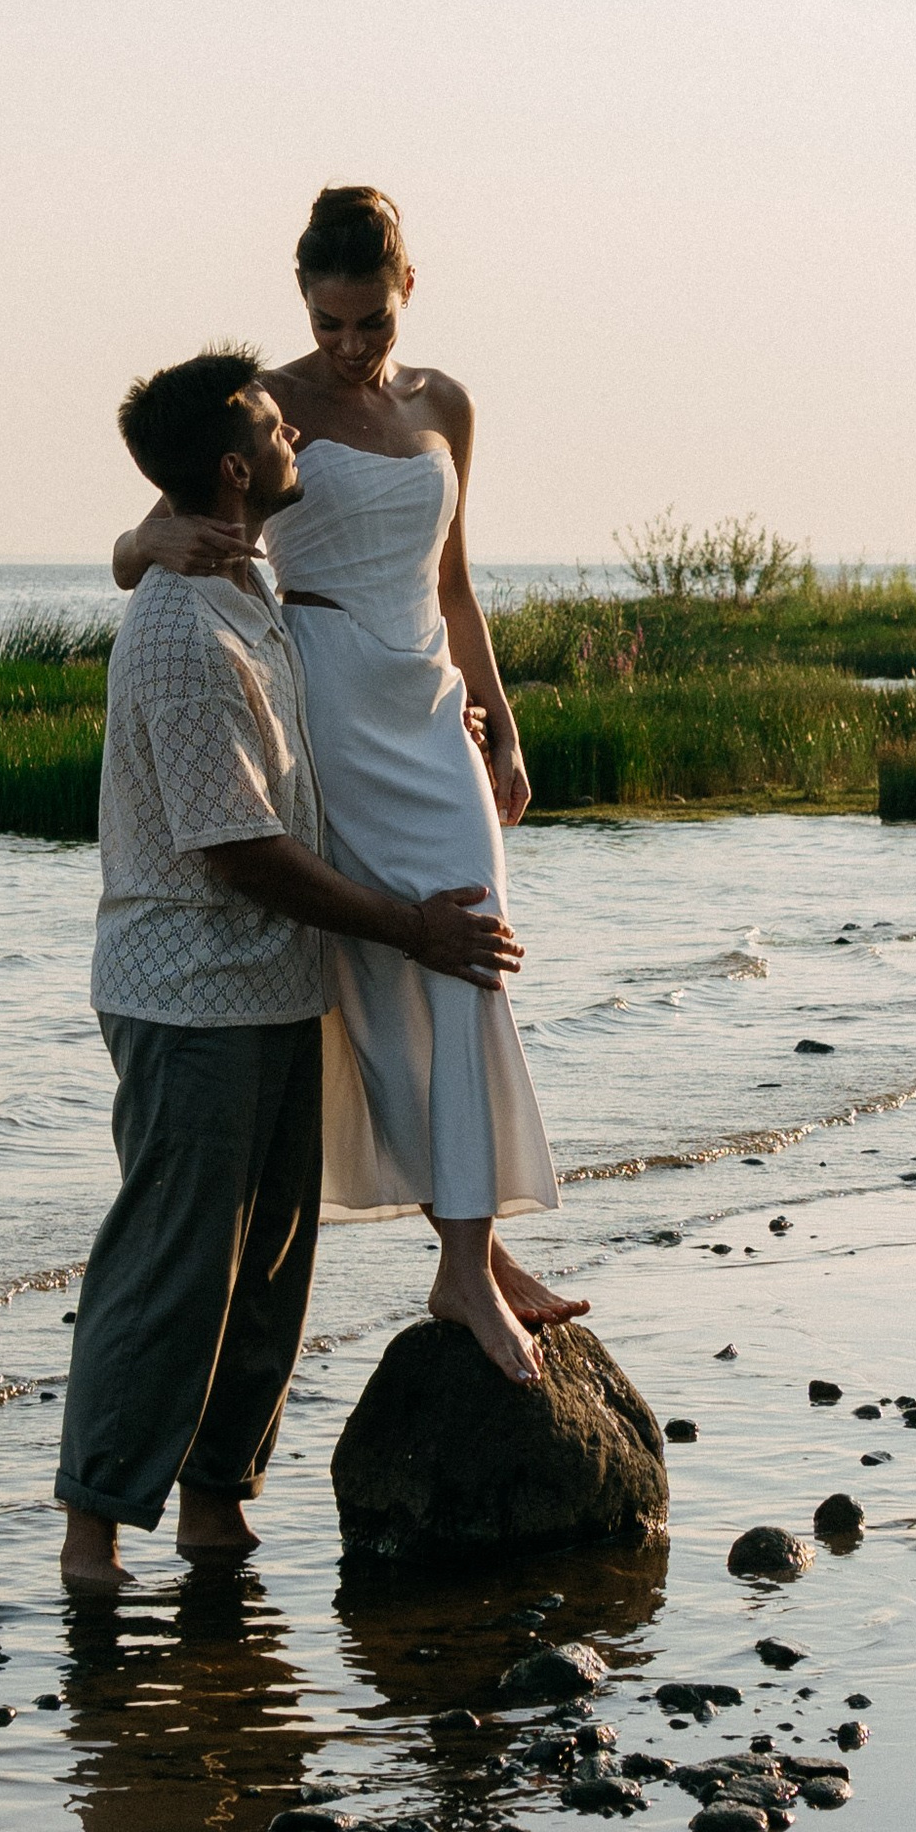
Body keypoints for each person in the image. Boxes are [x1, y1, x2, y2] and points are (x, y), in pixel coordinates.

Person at [62, 346, 521, 1594]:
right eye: (274, 426)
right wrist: (407, 927)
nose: (296, 438)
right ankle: (94, 1533)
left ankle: (217, 1509)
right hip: (186, 989)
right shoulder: (179, 624)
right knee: (172, 1262)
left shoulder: (249, 583)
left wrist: (453, 717)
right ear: (232, 469)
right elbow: (241, 854)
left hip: (271, 985)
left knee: (269, 1267)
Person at [112, 187, 579, 1391]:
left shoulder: (446, 405)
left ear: (403, 294)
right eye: (329, 324)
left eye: (368, 324)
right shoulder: (267, 408)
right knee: (383, 981)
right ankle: (464, 1260)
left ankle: (473, 1254)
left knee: (476, 966)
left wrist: (505, 727)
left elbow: (456, 580)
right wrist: (151, 546)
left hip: (430, 706)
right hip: (322, 699)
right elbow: (136, 546)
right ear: (304, 302)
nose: (349, 347)